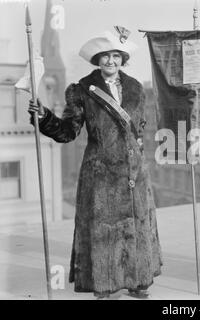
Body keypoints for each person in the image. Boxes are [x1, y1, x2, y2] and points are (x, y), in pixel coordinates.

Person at [28, 30, 162, 299]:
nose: (111, 61)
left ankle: (138, 281)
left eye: (115, 56)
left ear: (122, 58)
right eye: (105, 56)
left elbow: (140, 128)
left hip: (134, 171)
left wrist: (139, 159)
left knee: (138, 225)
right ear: (97, 59)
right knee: (104, 230)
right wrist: (43, 117)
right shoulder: (81, 90)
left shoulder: (136, 87)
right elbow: (68, 131)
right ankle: (105, 284)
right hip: (100, 172)